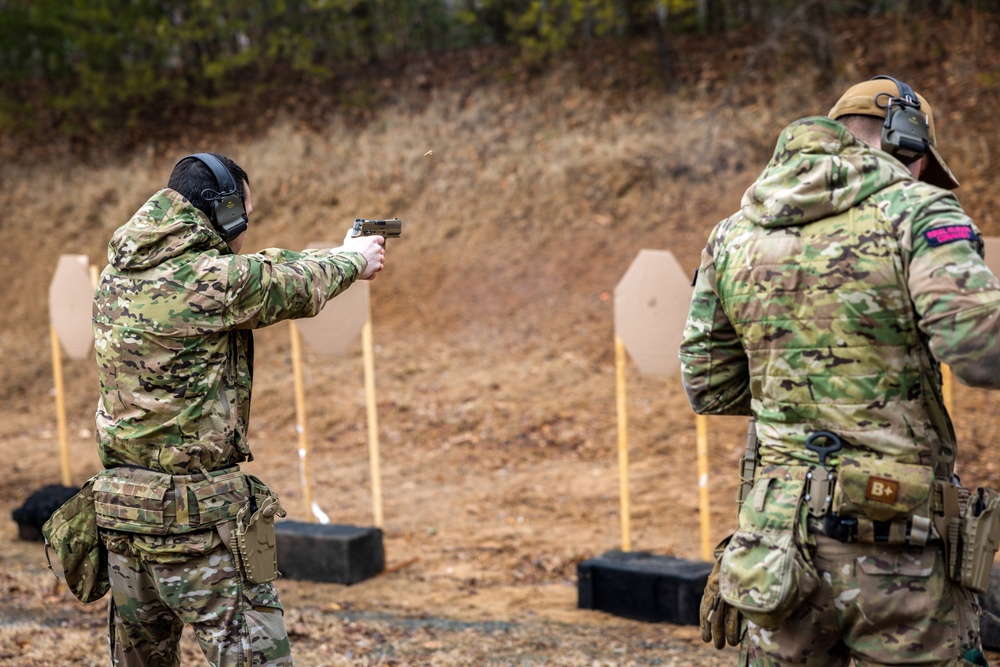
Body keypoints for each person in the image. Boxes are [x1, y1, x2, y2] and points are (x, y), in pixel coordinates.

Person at [680, 76, 1000, 666]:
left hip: (775, 553)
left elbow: (708, 384)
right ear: (912, 146)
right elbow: (980, 348)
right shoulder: (920, 210)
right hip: (898, 550)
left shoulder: (733, 234)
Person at [91, 152, 385, 666]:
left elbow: (257, 267)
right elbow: (284, 285)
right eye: (244, 212)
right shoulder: (213, 283)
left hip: (122, 517)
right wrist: (355, 261)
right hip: (199, 524)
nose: (246, 225)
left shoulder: (121, 272)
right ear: (224, 213)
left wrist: (337, 249)